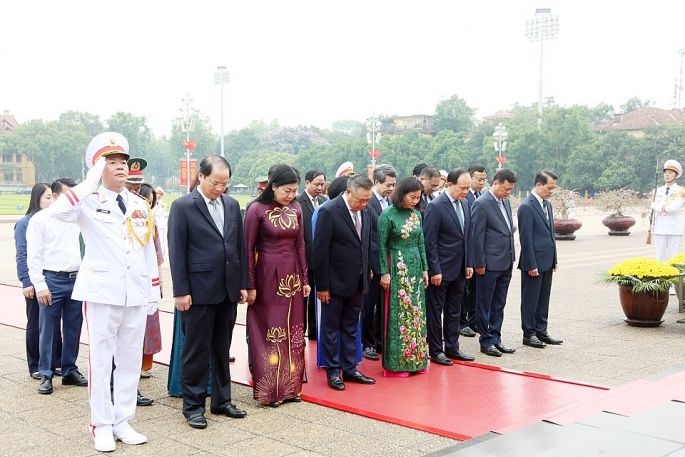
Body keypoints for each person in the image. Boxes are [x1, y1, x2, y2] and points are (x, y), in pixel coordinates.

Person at [51, 132, 160, 452]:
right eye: (111, 162)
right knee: (101, 361)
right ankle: (100, 424)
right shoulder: (87, 200)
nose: (120, 167)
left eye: (123, 162)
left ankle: (123, 420)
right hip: (102, 292)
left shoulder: (140, 204)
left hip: (135, 292)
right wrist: (89, 182)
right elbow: (57, 213)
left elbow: (147, 250)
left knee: (129, 360)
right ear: (98, 168)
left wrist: (153, 290)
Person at [167, 155, 249, 430]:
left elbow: (239, 249)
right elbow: (177, 251)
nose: (220, 188)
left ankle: (222, 401)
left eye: (225, 183)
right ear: (201, 176)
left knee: (221, 348)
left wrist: (243, 284)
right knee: (196, 350)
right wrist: (181, 290)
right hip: (198, 291)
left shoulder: (232, 204)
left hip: (227, 289)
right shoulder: (183, 206)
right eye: (216, 182)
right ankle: (193, 406)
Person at [244, 164, 310, 407]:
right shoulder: (256, 210)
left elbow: (301, 245)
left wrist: (305, 280)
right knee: (271, 329)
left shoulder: (296, 208)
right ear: (273, 186)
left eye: (294, 191)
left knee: (293, 329)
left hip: (291, 276)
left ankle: (291, 387)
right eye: (287, 190)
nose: (291, 195)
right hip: (267, 275)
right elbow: (248, 249)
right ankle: (271, 389)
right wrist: (250, 284)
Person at [313, 173, 376, 391]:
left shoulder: (365, 211)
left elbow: (366, 244)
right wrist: (322, 285)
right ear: (348, 192)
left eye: (367, 199)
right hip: (334, 282)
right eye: (360, 199)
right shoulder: (329, 211)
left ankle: (350, 368)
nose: (364, 203)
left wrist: (367, 270)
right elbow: (320, 252)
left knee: (350, 326)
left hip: (358, 281)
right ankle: (333, 370)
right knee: (331, 328)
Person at [27, 178, 86, 395]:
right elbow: (33, 256)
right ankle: (46, 373)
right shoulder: (40, 220)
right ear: (54, 196)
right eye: (68, 195)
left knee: (74, 327)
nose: (73, 199)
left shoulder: (77, 217)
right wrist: (40, 285)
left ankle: (69, 369)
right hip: (52, 279)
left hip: (77, 278)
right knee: (48, 329)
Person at [423, 169, 475, 366]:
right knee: (436, 311)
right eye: (463, 188)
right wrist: (434, 269)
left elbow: (467, 237)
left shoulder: (466, 204)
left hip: (460, 268)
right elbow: (430, 242)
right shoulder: (436, 207)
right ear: (450, 184)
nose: (466, 192)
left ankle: (452, 347)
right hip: (441, 270)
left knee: (454, 310)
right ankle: (436, 350)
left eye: (468, 188)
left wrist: (469, 263)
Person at [378, 177, 429, 377]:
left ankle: (417, 360)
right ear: (401, 194)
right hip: (397, 267)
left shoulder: (416, 214)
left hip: (415, 268)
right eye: (412, 197)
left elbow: (421, 243)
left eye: (418, 197)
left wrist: (425, 269)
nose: (415, 201)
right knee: (398, 314)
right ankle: (396, 364)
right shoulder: (387, 215)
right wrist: (384, 272)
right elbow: (381, 246)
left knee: (417, 314)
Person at [14, 182, 62, 380]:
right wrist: (27, 281)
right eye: (47, 197)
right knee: (36, 322)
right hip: (34, 282)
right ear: (37, 199)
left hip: (50, 279)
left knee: (53, 323)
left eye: (52, 196)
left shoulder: (53, 220)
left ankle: (56, 362)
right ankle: (35, 364)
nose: (51, 201)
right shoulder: (25, 223)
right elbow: (22, 254)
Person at [470, 168, 518, 358]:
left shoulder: (504, 202)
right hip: (488, 264)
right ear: (496, 183)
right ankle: (486, 340)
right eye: (505, 189)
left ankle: (496, 338)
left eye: (511, 190)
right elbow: (477, 235)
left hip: (505, 262)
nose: (508, 193)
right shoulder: (482, 204)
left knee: (499, 303)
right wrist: (479, 262)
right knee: (485, 303)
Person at [517, 170, 563, 349]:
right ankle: (529, 333)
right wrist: (531, 263)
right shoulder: (527, 206)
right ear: (538, 185)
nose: (551, 191)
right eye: (549, 187)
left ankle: (541, 330)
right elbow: (525, 238)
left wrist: (554, 258)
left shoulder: (547, 205)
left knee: (543, 298)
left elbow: (551, 234)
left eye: (553, 188)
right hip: (533, 262)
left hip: (547, 260)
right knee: (530, 299)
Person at [361, 164, 396, 361]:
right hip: (373, 261)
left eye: (393, 185)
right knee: (369, 304)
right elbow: (366, 235)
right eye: (388, 185)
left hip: (389, 260)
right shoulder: (368, 202)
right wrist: (368, 265)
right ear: (376, 182)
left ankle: (381, 340)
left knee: (385, 304)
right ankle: (367, 343)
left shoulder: (391, 202)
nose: (391, 189)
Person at [135, 183, 163, 406]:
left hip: (148, 282)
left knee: (150, 325)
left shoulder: (150, 220)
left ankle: (145, 366)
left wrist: (156, 282)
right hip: (127, 285)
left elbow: (156, 255)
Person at [295, 169, 327, 341]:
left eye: (322, 184)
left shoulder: (325, 202)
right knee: (302, 300)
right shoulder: (297, 202)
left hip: (320, 260)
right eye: (316, 184)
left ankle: (315, 332)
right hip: (304, 258)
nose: (320, 188)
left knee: (318, 297)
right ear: (307, 183)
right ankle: (300, 333)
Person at [461, 164, 487, 337]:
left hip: (478, 252)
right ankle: (462, 322)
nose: (482, 182)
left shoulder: (481, 196)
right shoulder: (465, 197)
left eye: (484, 179)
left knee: (476, 289)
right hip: (465, 251)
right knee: (464, 289)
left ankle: (473, 320)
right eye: (479, 179)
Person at [651, 160, 684, 295]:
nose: (667, 175)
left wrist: (657, 207)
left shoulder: (681, 191)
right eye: (666, 173)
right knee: (660, 256)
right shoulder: (658, 190)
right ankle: (660, 281)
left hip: (673, 228)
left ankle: (673, 284)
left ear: (676, 175)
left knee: (674, 257)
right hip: (660, 227)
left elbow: (673, 208)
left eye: (670, 173)